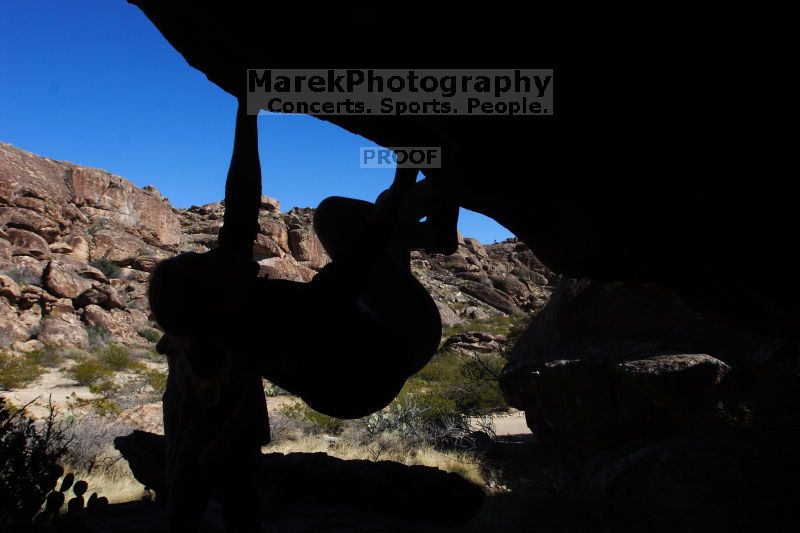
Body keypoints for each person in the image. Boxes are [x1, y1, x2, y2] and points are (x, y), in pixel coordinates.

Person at [149, 98, 457, 419]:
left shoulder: (226, 299)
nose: (212, 253)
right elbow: (358, 262)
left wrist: (247, 110)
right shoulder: (275, 326)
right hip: (397, 346)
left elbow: (241, 200)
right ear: (217, 295)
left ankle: (439, 233)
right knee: (333, 217)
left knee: (389, 206)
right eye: (203, 262)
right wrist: (404, 172)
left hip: (363, 337)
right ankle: (453, 174)